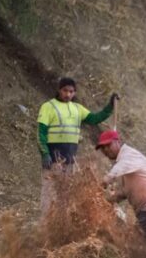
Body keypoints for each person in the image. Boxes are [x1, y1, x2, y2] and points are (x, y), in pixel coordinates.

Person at [37, 77, 118, 213]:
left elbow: (95, 118)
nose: (68, 94)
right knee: (49, 193)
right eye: (65, 90)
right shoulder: (48, 107)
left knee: (65, 195)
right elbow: (41, 133)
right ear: (59, 90)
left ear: (74, 92)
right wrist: (45, 153)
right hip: (53, 160)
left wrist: (110, 106)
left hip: (70, 161)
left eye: (71, 91)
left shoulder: (77, 108)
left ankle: (61, 221)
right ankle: (45, 221)